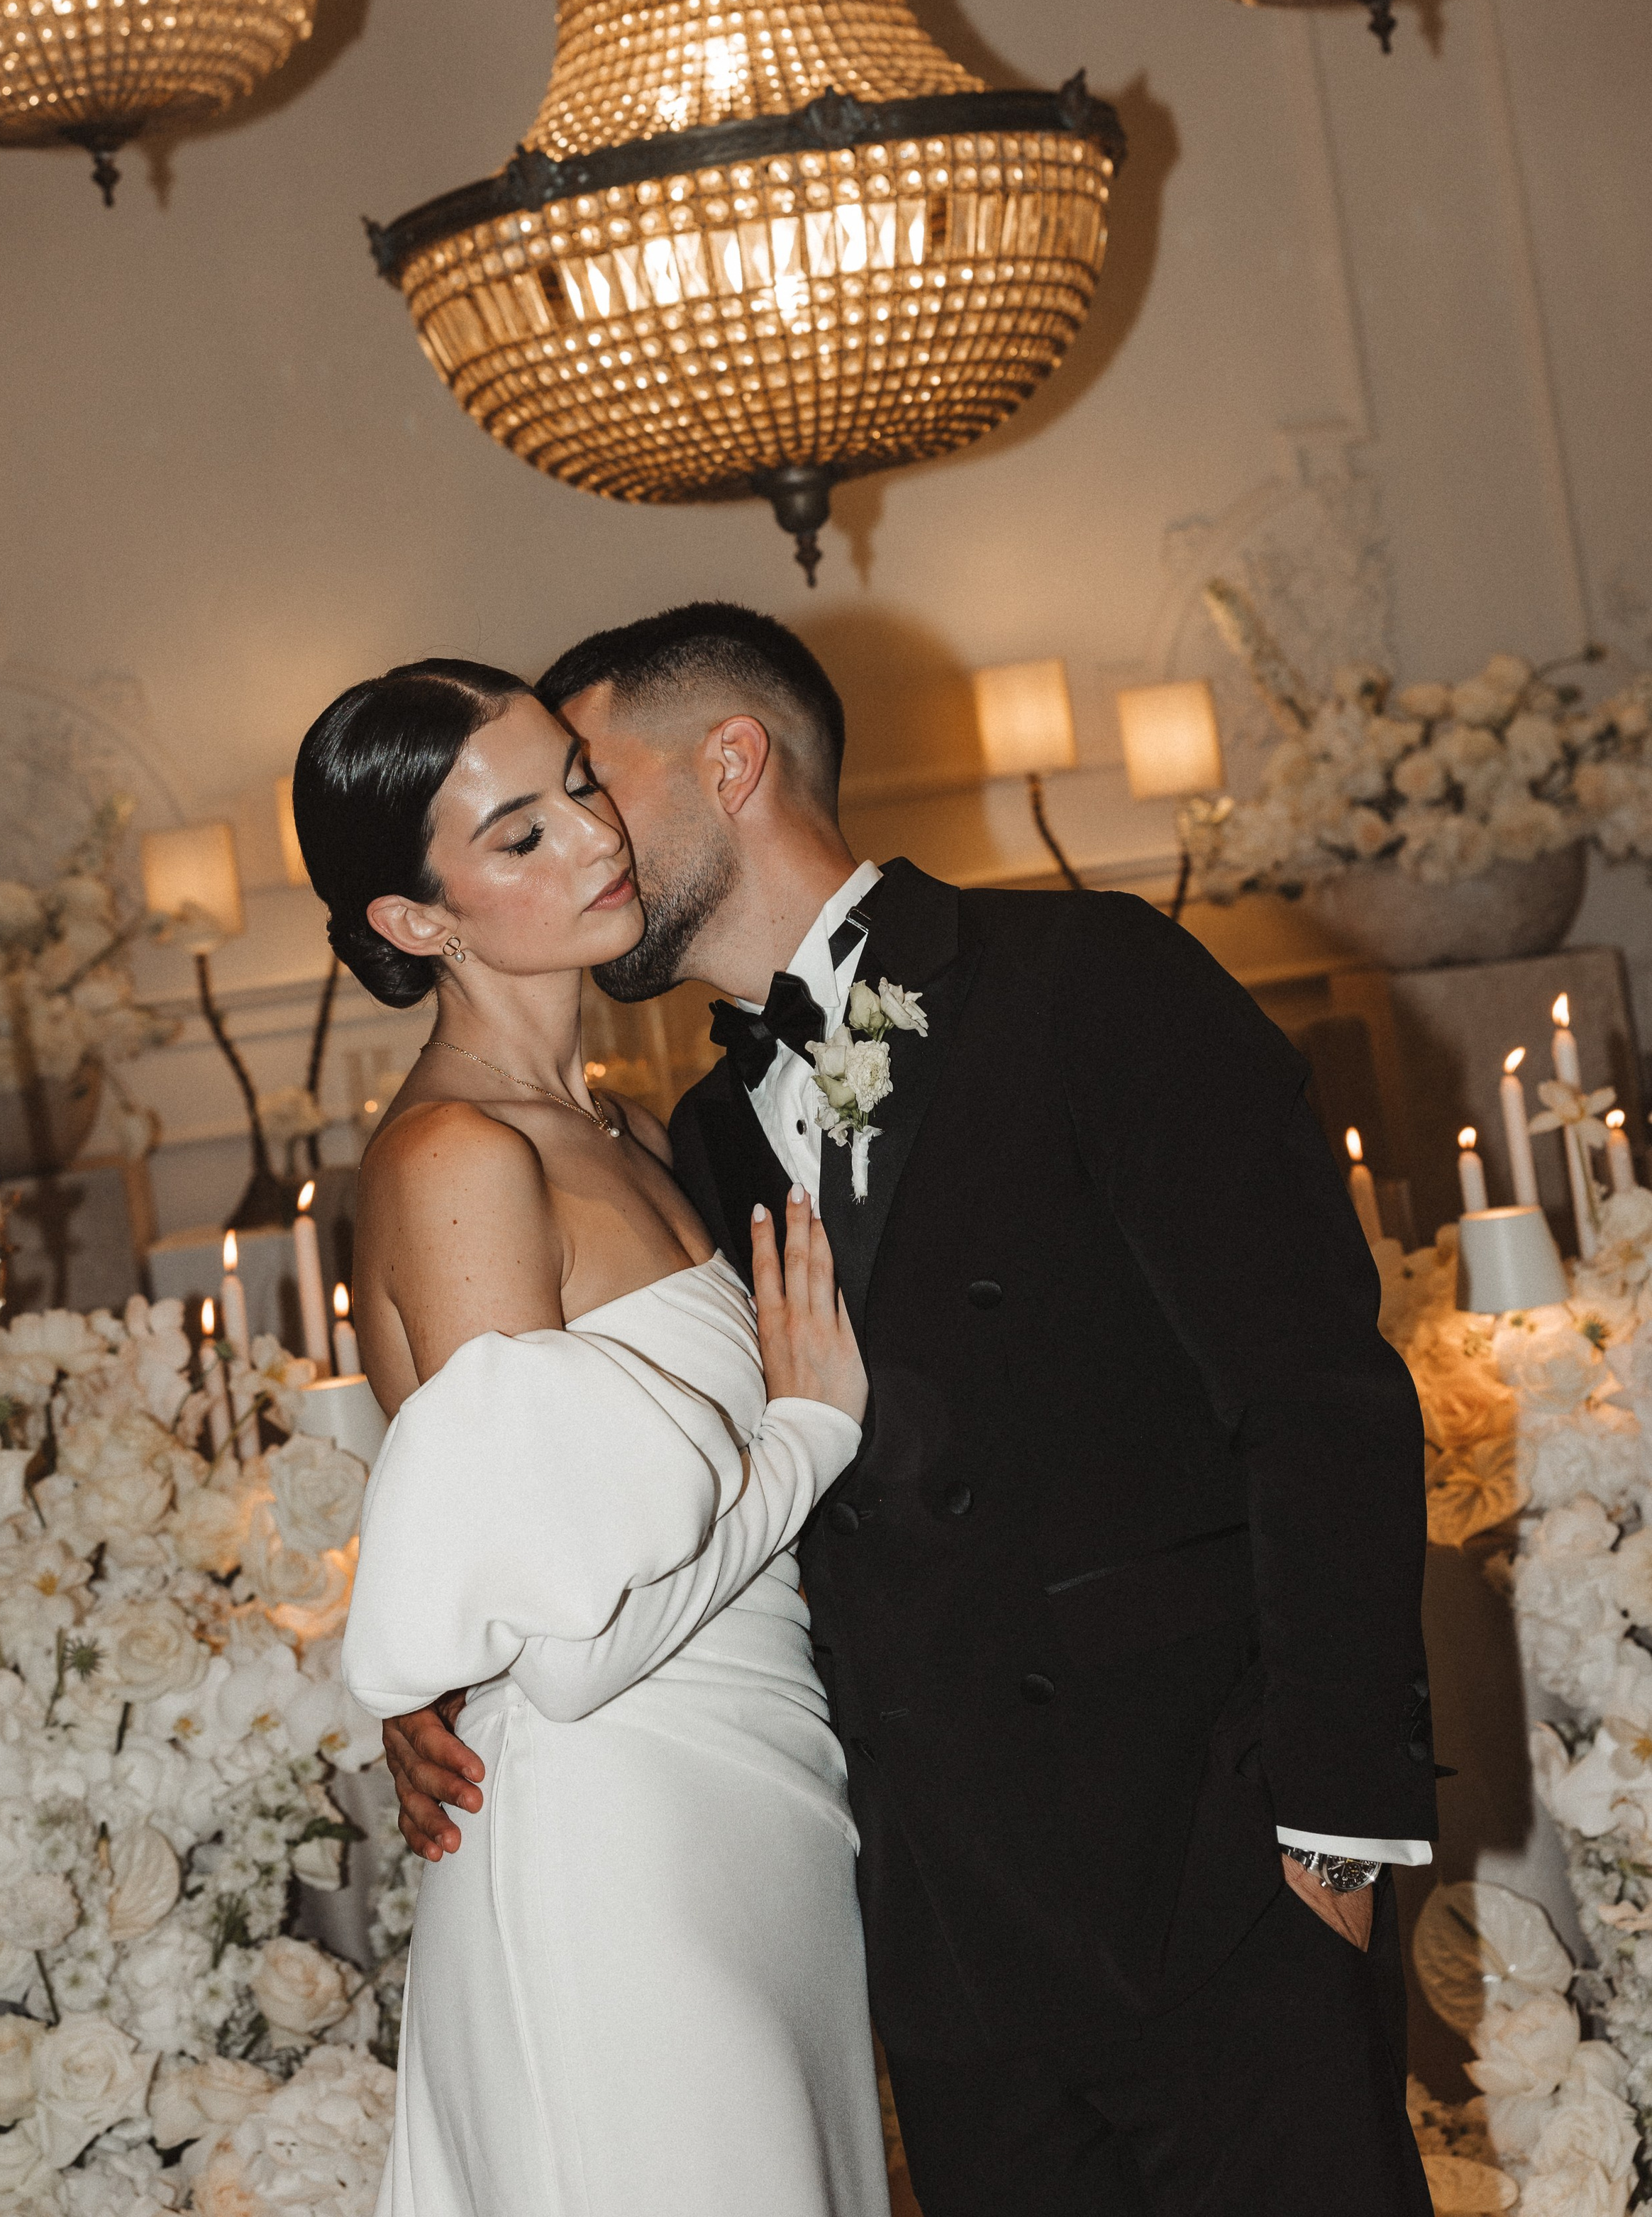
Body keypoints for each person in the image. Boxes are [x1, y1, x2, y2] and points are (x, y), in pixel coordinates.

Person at [384, 602, 1439, 2217]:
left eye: (590, 781)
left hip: (1209, 1878)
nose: (584, 830)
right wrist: (454, 1670)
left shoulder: (1087, 979)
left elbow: (1315, 1405)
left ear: (730, 762)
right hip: (931, 1940)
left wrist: (1337, 1835)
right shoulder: (702, 1138)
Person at [299, 658, 892, 2217]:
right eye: (515, 835)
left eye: (574, 777)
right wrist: (809, 1436)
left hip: (753, 1807)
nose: (588, 835)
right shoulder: (451, 1156)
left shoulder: (628, 1127)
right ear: (414, 922)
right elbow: (572, 1649)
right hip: (609, 1835)